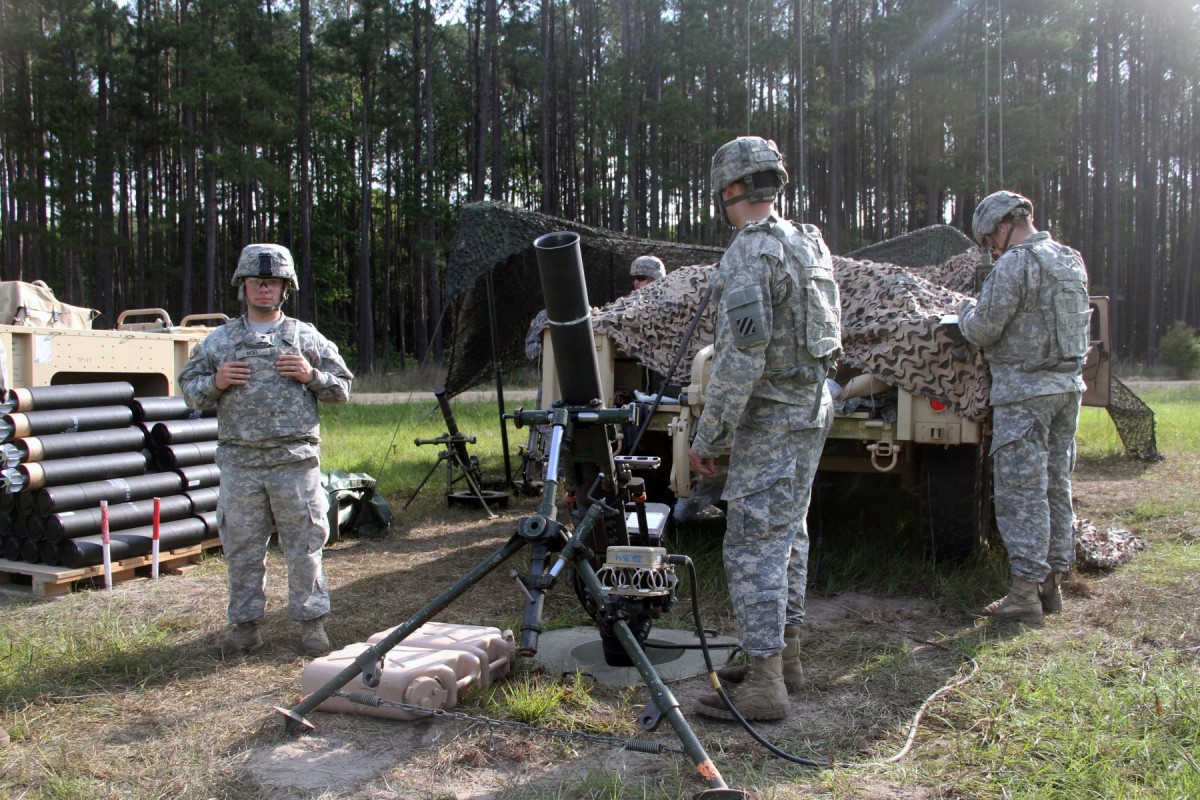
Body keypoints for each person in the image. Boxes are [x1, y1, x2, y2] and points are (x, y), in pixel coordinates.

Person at [687, 136, 841, 721]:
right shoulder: (808, 242)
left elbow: (740, 357)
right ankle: (787, 657)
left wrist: (710, 437)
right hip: (810, 407)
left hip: (772, 416)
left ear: (730, 190)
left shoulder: (752, 252)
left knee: (753, 543)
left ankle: (764, 683)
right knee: (789, 534)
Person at [180, 243, 353, 658]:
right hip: (241, 463)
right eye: (256, 282)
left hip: (294, 462)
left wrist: (312, 375)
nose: (263, 290)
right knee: (241, 548)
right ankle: (245, 627)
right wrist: (216, 381)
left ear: (284, 288)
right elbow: (189, 391)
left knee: (305, 547)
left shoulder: (304, 337)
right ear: (243, 286)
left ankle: (312, 625)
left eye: (272, 282)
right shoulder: (219, 342)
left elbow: (343, 388)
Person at [958, 191, 1091, 626]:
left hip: (1025, 393)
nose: (992, 249)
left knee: (1022, 493)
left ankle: (1024, 595)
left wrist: (962, 312)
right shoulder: (1070, 259)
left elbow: (983, 328)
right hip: (1067, 389)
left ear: (1001, 227)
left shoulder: (1016, 263)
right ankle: (1051, 585)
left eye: (990, 241)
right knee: (1055, 485)